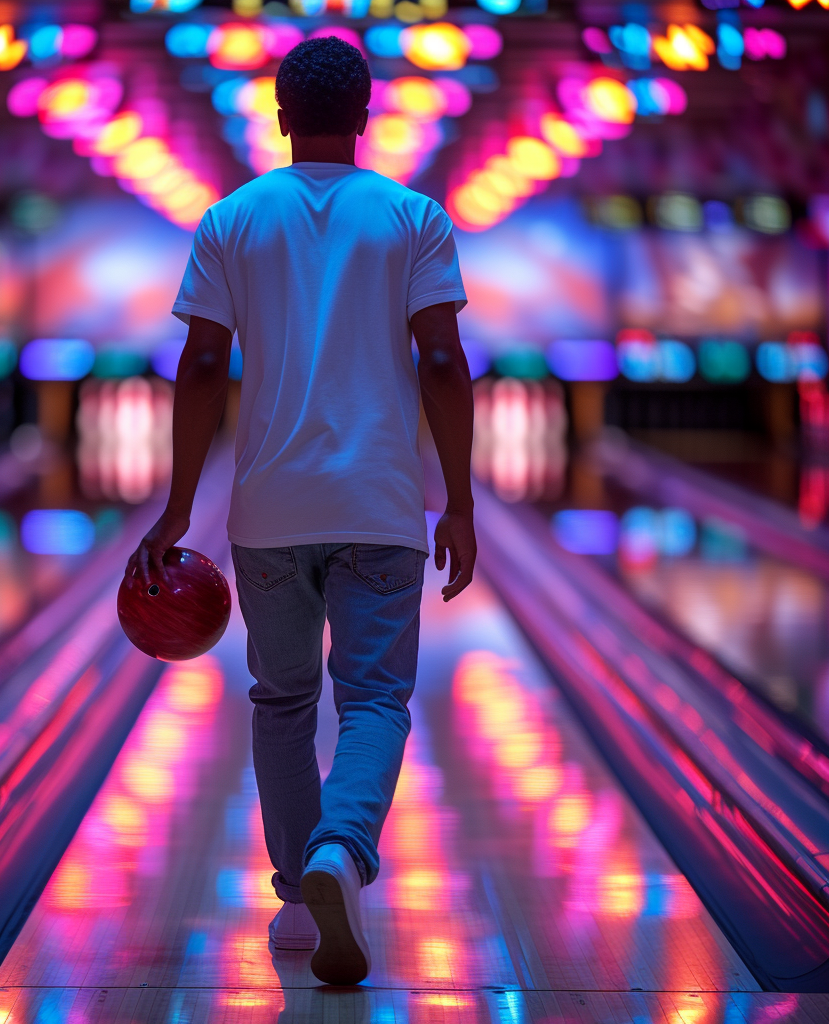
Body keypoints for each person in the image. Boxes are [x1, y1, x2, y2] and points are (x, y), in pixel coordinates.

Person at [127, 36, 476, 986]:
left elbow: (201, 365)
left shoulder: (232, 220)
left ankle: (297, 893)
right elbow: (442, 362)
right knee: (373, 700)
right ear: (367, 118)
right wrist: (464, 499)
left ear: (280, 117)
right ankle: (340, 854)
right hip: (382, 509)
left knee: (281, 702)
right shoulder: (413, 217)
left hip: (268, 515)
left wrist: (175, 508)